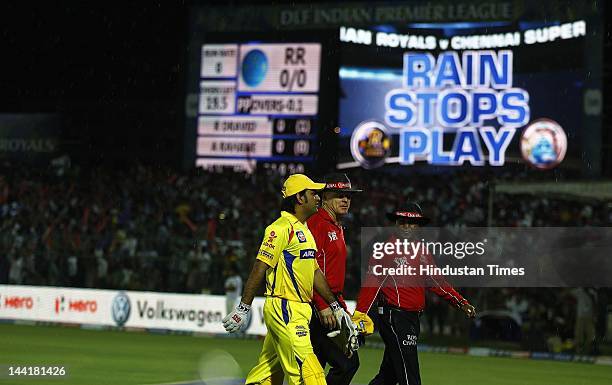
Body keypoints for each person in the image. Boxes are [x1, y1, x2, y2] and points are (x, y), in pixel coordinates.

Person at [222, 174, 357, 385]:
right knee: (310, 374)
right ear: (299, 198)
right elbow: (260, 266)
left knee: (266, 374)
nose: (318, 198)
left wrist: (335, 305)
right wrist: (243, 308)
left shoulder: (304, 229)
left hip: (299, 310)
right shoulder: (280, 228)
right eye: (313, 193)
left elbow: (314, 272)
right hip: (285, 307)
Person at [354, 202, 476, 385]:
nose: (407, 227)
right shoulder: (385, 250)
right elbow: (372, 283)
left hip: (412, 318)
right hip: (394, 316)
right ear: (396, 223)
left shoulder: (422, 251)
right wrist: (360, 314)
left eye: (412, 223)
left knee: (389, 375)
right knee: (410, 374)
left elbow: (437, 282)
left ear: (419, 226)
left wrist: (460, 302)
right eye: (402, 222)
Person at [307, 173, 362, 385]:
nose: (346, 200)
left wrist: (342, 310)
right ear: (325, 197)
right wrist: (323, 305)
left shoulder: (336, 225)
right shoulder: (317, 224)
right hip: (319, 308)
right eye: (339, 195)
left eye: (348, 195)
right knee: (347, 363)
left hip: (331, 304)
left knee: (314, 371)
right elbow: (310, 268)